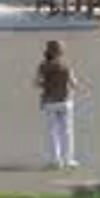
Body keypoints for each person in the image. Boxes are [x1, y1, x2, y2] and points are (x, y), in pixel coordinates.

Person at [35, 40, 79, 170]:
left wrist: (47, 85)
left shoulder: (43, 66)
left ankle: (55, 160)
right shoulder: (66, 65)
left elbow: (36, 83)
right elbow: (74, 83)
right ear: (60, 52)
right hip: (65, 101)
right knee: (67, 131)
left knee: (52, 131)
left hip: (50, 102)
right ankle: (69, 159)